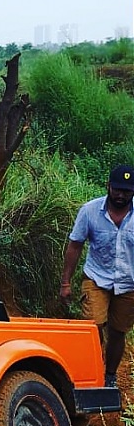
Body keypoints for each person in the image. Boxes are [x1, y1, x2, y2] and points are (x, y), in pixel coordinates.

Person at [60, 164, 134, 387]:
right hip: (96, 278)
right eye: (117, 189)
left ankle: (110, 375)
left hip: (129, 282)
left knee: (118, 331)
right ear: (108, 186)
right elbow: (75, 245)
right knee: (93, 326)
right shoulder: (90, 211)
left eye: (127, 191)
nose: (120, 195)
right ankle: (92, 370)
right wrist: (65, 283)